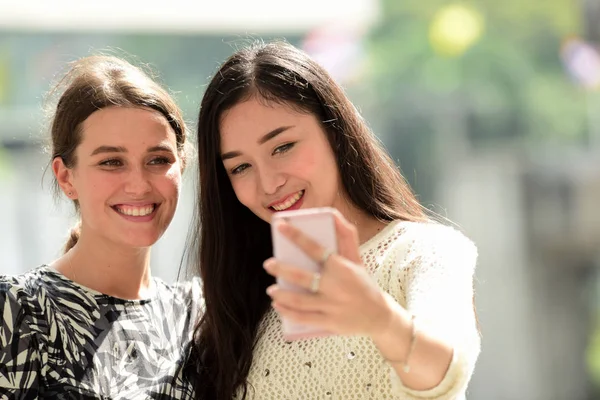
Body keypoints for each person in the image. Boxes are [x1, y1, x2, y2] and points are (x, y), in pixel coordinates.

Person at [187, 40, 481, 400]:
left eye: (282, 147)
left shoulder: (424, 252)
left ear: (335, 132)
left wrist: (379, 318)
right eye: (240, 167)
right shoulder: (237, 294)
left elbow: (446, 368)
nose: (269, 183)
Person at [0, 55, 201, 399]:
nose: (139, 185)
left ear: (181, 165)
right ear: (66, 177)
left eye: (158, 160)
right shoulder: (17, 309)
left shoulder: (196, 316)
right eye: (111, 162)